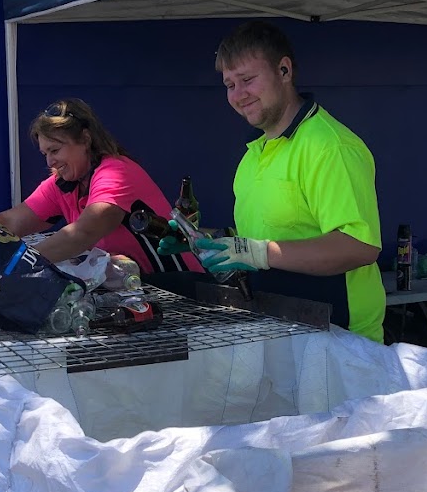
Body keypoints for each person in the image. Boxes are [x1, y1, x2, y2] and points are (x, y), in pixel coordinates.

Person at [165, 21, 385, 341]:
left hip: (340, 338)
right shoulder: (253, 154)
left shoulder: (330, 146)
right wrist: (204, 240)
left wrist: (257, 252)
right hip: (278, 328)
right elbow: (262, 238)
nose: (238, 95)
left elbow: (359, 247)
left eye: (247, 80)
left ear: (284, 70)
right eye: (229, 84)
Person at [0, 98, 201, 274]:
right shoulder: (63, 183)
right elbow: (9, 222)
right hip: (140, 292)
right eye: (44, 154)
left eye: (55, 150)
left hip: (182, 288)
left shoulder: (116, 172)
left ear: (85, 139)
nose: (49, 162)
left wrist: (18, 267)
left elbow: (82, 234)